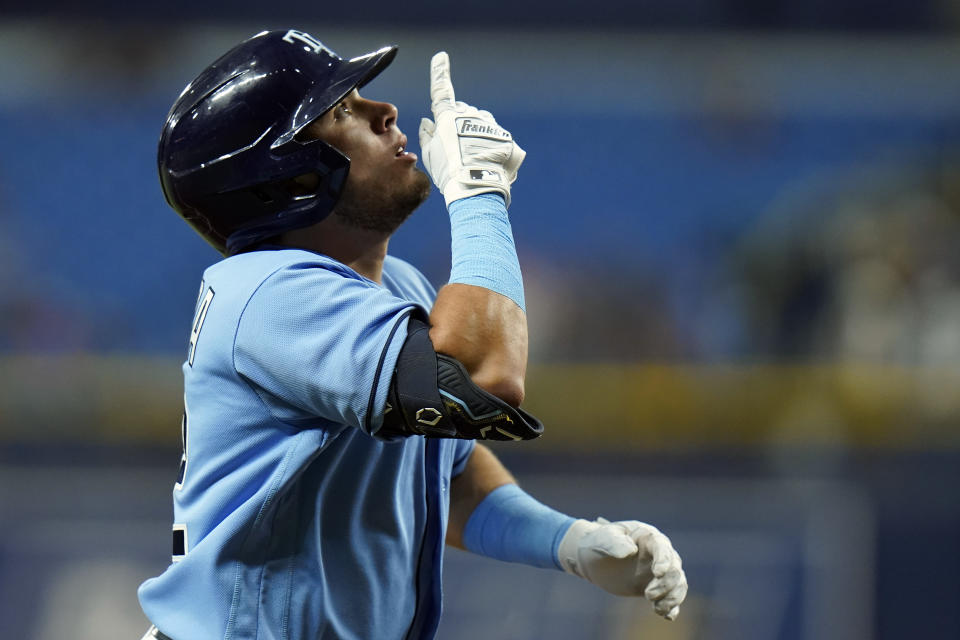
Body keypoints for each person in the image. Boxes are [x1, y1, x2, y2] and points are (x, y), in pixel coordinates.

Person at [138, 28, 687, 640]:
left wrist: (572, 542)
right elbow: (480, 374)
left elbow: (447, 475)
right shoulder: (269, 291)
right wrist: (477, 193)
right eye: (341, 111)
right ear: (287, 180)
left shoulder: (393, 285)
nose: (385, 111)